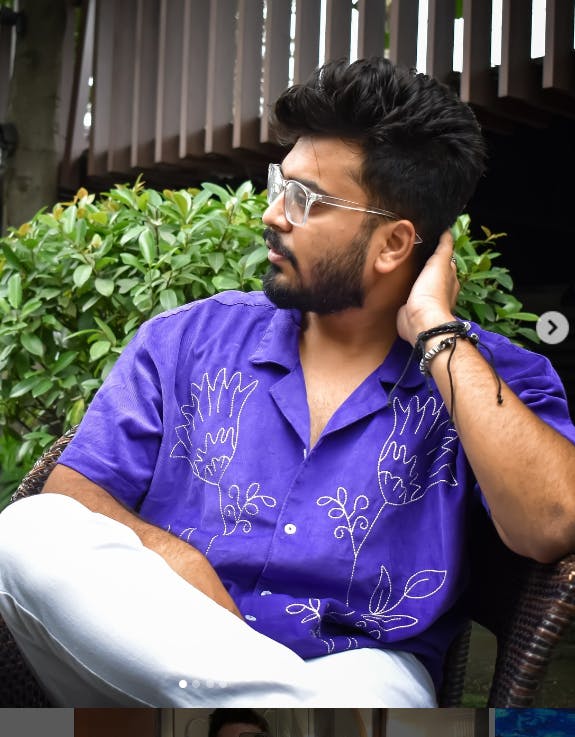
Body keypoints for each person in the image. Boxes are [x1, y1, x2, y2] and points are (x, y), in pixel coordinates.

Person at [0, 56, 574, 708]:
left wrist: (436, 332)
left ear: (392, 245)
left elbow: (552, 525)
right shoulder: (187, 339)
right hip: (159, 642)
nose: (273, 214)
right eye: (281, 185)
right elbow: (75, 496)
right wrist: (183, 565)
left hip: (359, 671)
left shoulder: (490, 377)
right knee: (29, 531)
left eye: (305, 198)